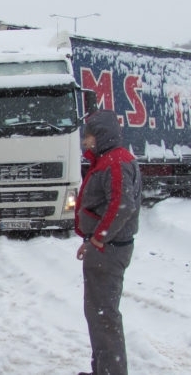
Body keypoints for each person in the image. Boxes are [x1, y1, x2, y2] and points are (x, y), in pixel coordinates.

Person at [75, 110, 141, 375]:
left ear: (101, 135)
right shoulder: (108, 159)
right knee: (98, 314)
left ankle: (111, 371)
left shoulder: (115, 162)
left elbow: (121, 206)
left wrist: (99, 239)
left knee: (104, 316)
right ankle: (102, 369)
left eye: (89, 136)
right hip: (104, 247)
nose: (85, 141)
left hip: (109, 250)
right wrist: (91, 240)